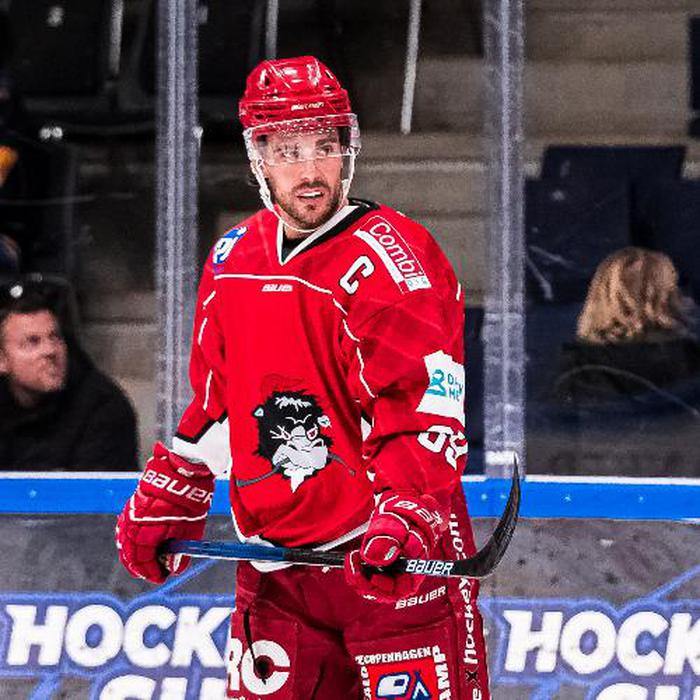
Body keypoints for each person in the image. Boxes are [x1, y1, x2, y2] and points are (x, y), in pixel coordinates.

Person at [116, 56, 490, 699]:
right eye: (289, 151)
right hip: (276, 570)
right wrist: (175, 486)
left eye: (324, 146)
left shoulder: (396, 262)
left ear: (348, 147)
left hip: (390, 558)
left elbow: (423, 409)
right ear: (258, 157)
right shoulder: (233, 258)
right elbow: (220, 399)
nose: (311, 171)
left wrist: (408, 514)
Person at [0, 283, 138, 470]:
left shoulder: (102, 407)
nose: (50, 350)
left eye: (55, 337)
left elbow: (95, 487)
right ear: (2, 360)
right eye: (32, 342)